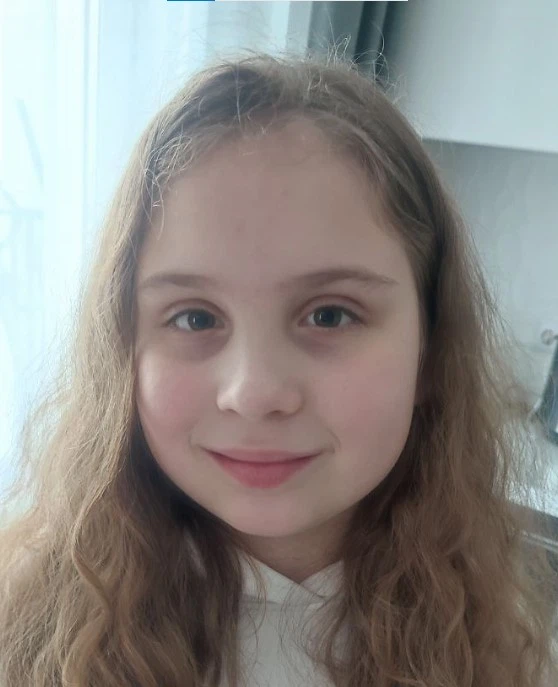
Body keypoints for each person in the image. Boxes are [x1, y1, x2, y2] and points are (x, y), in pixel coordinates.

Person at [1, 49, 557, 687]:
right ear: (123, 352)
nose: (255, 392)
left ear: (430, 353)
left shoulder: (511, 650)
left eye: (330, 315)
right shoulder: (27, 631)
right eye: (194, 318)